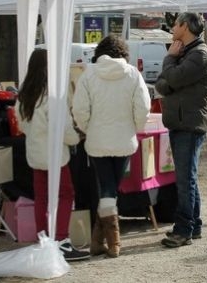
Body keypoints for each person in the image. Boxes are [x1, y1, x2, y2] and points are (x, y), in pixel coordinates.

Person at [72, 35, 151, 257]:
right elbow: (143, 107)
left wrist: (88, 128)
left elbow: (79, 109)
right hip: (124, 140)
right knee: (110, 188)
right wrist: (133, 127)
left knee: (107, 187)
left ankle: (101, 241)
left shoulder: (89, 74)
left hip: (97, 141)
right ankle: (113, 242)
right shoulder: (133, 74)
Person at [15, 49, 89, 262]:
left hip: (36, 153)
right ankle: (61, 240)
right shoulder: (52, 97)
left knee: (41, 198)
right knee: (66, 195)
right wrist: (76, 137)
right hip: (55, 156)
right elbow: (64, 130)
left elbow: (21, 125)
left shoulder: (24, 96)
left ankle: (44, 239)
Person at [155, 12, 207, 248]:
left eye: (176, 23)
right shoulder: (186, 52)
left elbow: (173, 79)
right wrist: (170, 72)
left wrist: (169, 58)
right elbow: (162, 82)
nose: (172, 26)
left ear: (186, 26)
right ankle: (194, 224)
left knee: (184, 179)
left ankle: (183, 229)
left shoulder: (199, 54)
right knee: (188, 177)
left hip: (189, 124)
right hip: (181, 122)